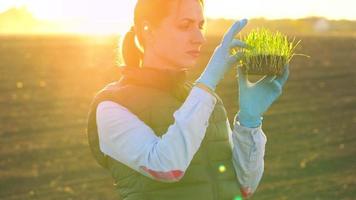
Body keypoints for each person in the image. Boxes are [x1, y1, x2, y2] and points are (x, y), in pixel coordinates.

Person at [86, 0, 290, 199]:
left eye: (201, 26)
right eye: (185, 25)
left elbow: (245, 187)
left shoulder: (205, 99)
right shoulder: (112, 105)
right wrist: (207, 83)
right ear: (148, 29)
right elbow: (167, 167)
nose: (199, 38)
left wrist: (249, 120)